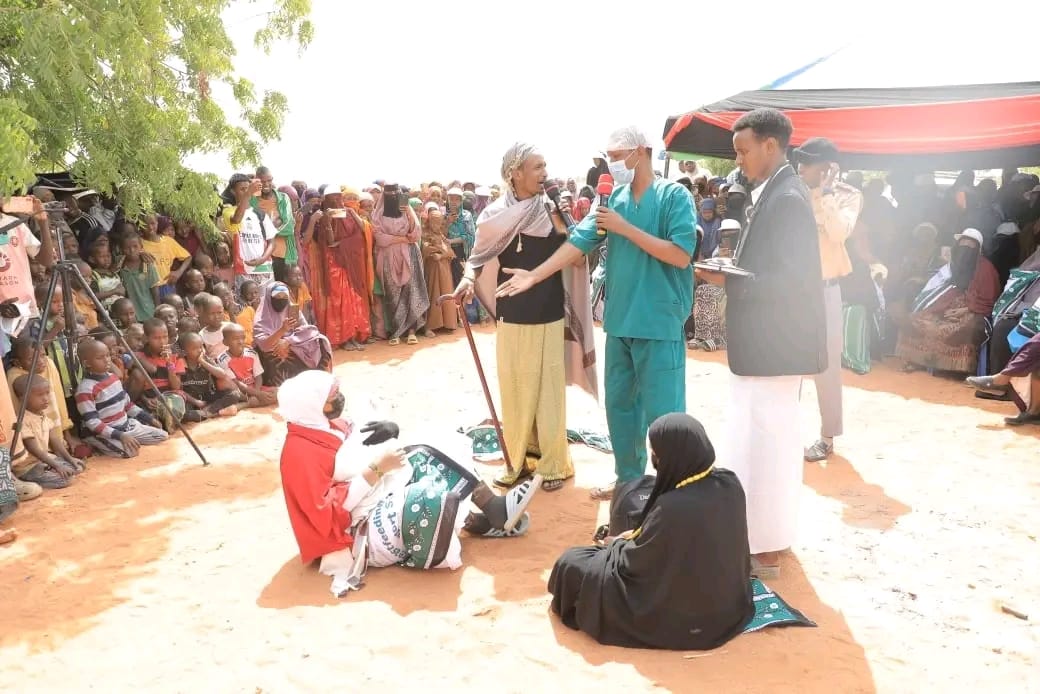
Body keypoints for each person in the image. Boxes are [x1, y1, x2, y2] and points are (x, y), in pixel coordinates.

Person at [494, 129, 695, 499]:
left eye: (618, 156)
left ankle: (673, 493)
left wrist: (624, 228)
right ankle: (628, 481)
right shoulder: (613, 200)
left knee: (665, 417)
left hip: (659, 323)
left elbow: (680, 254)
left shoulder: (674, 196)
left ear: (642, 152)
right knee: (621, 409)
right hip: (620, 324)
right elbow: (577, 243)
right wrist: (535, 275)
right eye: (610, 157)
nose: (613, 164)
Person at [699, 108, 826, 578]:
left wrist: (730, 280)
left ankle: (767, 548)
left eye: (743, 151)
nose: (738, 161)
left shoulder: (788, 197)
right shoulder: (773, 191)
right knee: (754, 439)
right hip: (764, 344)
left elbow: (795, 280)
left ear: (770, 146)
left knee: (771, 445)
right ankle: (754, 534)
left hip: (778, 344)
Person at [276, 370, 538, 594]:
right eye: (331, 398)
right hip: (353, 535)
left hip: (367, 498)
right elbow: (328, 513)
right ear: (312, 406)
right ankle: (485, 516)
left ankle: (490, 511)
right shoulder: (299, 453)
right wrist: (378, 469)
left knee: (429, 447)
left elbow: (357, 444)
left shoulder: (322, 426)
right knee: (426, 494)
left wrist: (389, 431)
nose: (338, 400)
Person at [453, 143, 598, 493]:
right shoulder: (492, 214)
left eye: (545, 165)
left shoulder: (552, 209)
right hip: (512, 313)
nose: (544, 172)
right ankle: (518, 460)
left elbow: (577, 258)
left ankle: (553, 465)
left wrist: (565, 221)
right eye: (537, 166)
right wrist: (468, 279)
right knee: (516, 387)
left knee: (548, 388)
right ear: (515, 173)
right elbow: (478, 257)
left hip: (547, 311)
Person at [548, 413, 753, 650]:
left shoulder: (672, 507)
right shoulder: (729, 481)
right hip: (729, 606)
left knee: (571, 563)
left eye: (656, 452)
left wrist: (616, 544)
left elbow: (637, 565)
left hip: (687, 617)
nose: (654, 458)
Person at [791, 137, 863, 463]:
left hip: (825, 290)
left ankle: (826, 437)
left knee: (827, 367)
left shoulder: (848, 196)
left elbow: (837, 233)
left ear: (828, 168)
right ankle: (784, 431)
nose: (800, 168)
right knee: (788, 363)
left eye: (807, 164)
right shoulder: (793, 192)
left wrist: (827, 193)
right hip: (792, 291)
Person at [896, 228, 1000, 373]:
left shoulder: (986, 268)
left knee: (966, 328)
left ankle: (959, 369)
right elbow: (937, 286)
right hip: (946, 305)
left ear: (978, 249)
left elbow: (989, 300)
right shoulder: (952, 266)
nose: (966, 249)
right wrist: (943, 307)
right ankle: (918, 361)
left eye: (970, 246)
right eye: (963, 245)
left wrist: (966, 309)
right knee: (917, 320)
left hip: (973, 310)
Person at [75, 338, 169, 457]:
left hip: (126, 425)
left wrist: (149, 419)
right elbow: (92, 422)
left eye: (108, 356)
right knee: (130, 452)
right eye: (100, 358)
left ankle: (128, 438)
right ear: (87, 363)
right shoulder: (85, 389)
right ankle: (97, 443)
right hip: (103, 432)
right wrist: (120, 435)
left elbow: (127, 405)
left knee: (162, 436)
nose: (107, 360)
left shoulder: (114, 378)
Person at [304, 188, 371, 351]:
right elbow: (329, 241)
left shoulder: (349, 214)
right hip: (333, 263)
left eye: (338, 198)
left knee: (352, 298)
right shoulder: (321, 216)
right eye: (331, 199)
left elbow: (360, 235)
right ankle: (343, 338)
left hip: (350, 264)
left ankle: (354, 335)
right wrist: (326, 222)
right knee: (338, 300)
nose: (336, 202)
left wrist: (352, 215)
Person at [370, 183, 429, 346]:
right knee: (392, 293)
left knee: (412, 290)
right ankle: (396, 331)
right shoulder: (378, 214)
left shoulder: (407, 211)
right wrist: (402, 239)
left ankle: (411, 331)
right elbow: (379, 238)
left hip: (410, 255)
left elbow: (415, 234)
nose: (393, 197)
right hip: (387, 256)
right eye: (389, 194)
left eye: (396, 194)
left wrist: (408, 213)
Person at [10, 375, 85, 490]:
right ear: (22, 398)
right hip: (29, 466)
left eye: (47, 393)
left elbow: (55, 441)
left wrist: (70, 459)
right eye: (40, 395)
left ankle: (51, 469)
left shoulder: (43, 416)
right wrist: (57, 465)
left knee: (78, 466)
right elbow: (33, 449)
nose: (46, 398)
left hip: (43, 460)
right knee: (65, 479)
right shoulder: (22, 420)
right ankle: (30, 480)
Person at [253, 281, 332, 387]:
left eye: (284, 296)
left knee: (320, 340)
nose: (281, 299)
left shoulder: (292, 310)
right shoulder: (261, 317)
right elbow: (264, 345)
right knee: (275, 353)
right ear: (269, 298)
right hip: (272, 347)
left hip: (293, 342)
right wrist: (282, 330)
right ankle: (283, 385)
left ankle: (319, 379)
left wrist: (288, 341)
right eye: (277, 296)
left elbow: (307, 330)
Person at [220, 173, 276, 288]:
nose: (246, 192)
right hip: (243, 270)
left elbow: (272, 242)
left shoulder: (260, 214)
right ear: (233, 191)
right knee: (246, 305)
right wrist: (248, 194)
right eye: (242, 190)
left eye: (248, 188)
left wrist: (262, 259)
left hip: (265, 269)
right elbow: (236, 219)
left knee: (265, 305)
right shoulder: (228, 212)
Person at [176, 332, 240, 421]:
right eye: (195, 348)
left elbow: (221, 374)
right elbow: (178, 389)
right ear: (184, 352)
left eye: (201, 346)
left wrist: (202, 362)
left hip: (207, 397)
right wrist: (197, 402)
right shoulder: (180, 364)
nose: (200, 350)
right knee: (182, 414)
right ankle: (213, 412)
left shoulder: (205, 359)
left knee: (234, 395)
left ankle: (208, 412)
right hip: (190, 400)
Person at [249, 167, 297, 282]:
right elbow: (253, 228)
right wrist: (277, 222)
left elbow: (289, 227)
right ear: (256, 181)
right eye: (262, 181)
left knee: (282, 291)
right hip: (261, 254)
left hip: (282, 254)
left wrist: (266, 228)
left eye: (269, 180)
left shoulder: (283, 198)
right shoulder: (252, 200)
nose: (266, 184)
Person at [420, 202, 457, 336]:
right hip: (433, 270)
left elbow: (451, 253)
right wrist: (440, 251)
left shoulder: (441, 236)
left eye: (440, 223)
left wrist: (441, 254)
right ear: (429, 222)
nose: (438, 226)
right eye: (435, 223)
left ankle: (448, 323)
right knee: (433, 293)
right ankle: (430, 326)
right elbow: (425, 250)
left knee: (446, 293)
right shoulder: (424, 235)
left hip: (444, 270)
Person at [218, 322, 275, 408]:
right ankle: (245, 404)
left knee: (278, 391)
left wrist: (257, 393)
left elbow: (258, 376)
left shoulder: (252, 353)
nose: (240, 341)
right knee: (248, 398)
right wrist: (258, 394)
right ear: (225, 342)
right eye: (235, 338)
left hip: (255, 388)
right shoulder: (222, 359)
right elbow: (236, 383)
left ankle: (247, 404)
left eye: (242, 338)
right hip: (240, 392)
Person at [118, 234, 161, 322]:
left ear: (141, 247)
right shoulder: (119, 266)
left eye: (135, 246)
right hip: (130, 315)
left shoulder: (147, 265)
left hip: (148, 312)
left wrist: (158, 310)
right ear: (122, 249)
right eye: (127, 248)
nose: (132, 250)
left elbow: (155, 290)